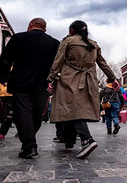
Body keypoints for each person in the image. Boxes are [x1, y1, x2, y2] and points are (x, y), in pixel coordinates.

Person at [48, 20, 118, 158]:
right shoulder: (93, 44)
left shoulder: (68, 41)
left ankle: (87, 139)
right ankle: (68, 141)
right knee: (75, 107)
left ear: (72, 30)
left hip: (69, 78)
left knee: (71, 108)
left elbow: (58, 60)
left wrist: (50, 78)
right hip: (88, 80)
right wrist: (113, 78)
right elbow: (102, 63)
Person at [0, 18, 60, 158]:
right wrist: (53, 81)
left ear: (30, 25)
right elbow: (58, 65)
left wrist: (3, 78)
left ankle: (29, 145)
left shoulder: (18, 38)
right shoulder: (54, 43)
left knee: (23, 112)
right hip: (43, 83)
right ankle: (29, 141)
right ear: (45, 28)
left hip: (21, 81)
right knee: (37, 114)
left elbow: (5, 59)